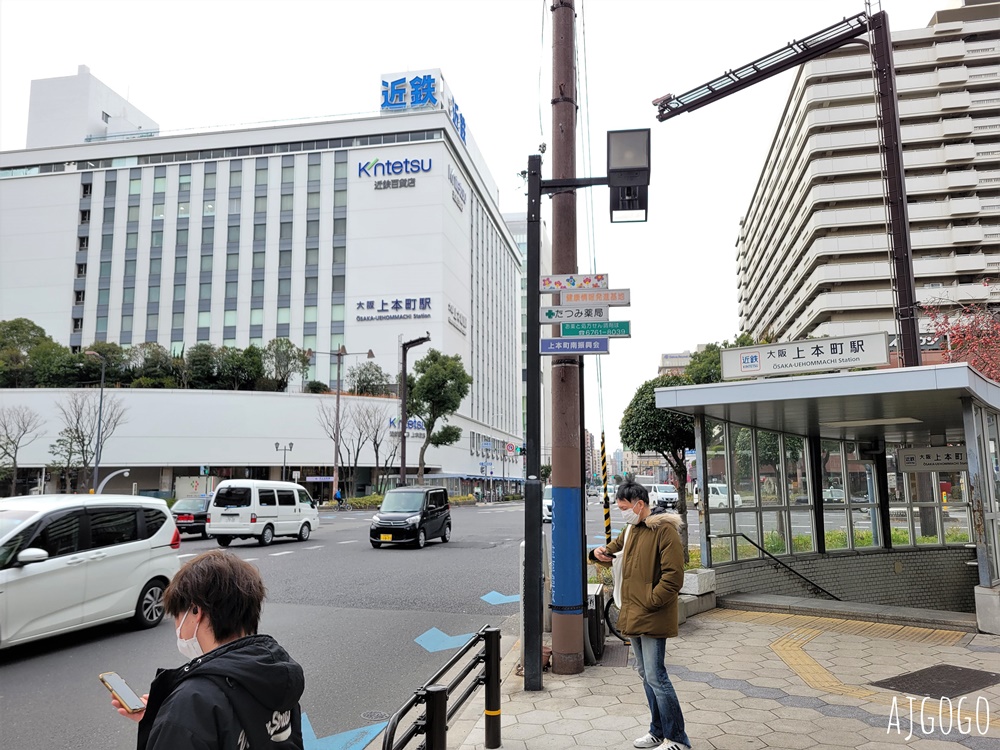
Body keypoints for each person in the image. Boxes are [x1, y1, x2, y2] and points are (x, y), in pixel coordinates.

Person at [111, 550, 305, 750]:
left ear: (196, 611)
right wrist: (165, 720)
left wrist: (176, 722)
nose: (176, 625)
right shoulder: (275, 673)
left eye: (177, 615)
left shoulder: (192, 703)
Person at [590, 480, 690, 750]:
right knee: (645, 674)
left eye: (624, 507)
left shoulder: (664, 530)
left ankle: (678, 739)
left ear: (640, 504)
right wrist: (597, 553)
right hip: (633, 611)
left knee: (657, 675)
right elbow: (612, 550)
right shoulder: (632, 529)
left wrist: (650, 601)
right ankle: (657, 731)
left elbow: (673, 577)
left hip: (651, 612)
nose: (622, 512)